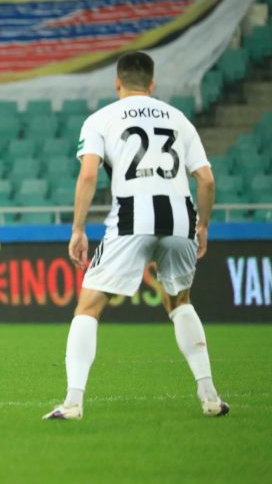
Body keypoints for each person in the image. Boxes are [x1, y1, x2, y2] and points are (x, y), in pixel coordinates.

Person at [43, 51, 227, 420]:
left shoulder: (101, 119)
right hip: (181, 218)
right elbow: (206, 179)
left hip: (132, 217)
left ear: (118, 83)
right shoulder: (178, 119)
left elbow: (89, 174)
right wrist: (203, 225)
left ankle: (73, 402)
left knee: (88, 307)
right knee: (179, 302)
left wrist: (78, 229)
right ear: (152, 84)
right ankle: (209, 395)